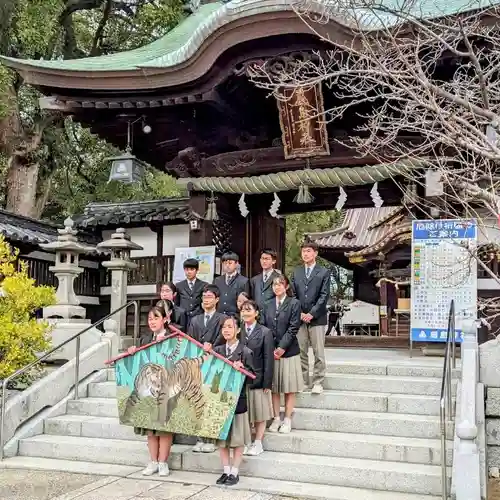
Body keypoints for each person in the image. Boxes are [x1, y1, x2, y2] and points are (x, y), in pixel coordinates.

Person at [127, 303, 176, 476]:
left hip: (166, 388)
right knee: (150, 427)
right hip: (149, 389)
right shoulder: (145, 340)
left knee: (164, 427)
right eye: (149, 318)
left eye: (156, 318)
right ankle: (153, 461)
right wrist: (133, 351)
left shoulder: (174, 338)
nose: (152, 321)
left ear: (165, 319)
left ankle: (163, 462)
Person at [213, 316, 254, 486]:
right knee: (222, 439)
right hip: (220, 400)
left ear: (238, 330)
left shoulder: (245, 352)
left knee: (237, 439)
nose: (227, 330)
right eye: (224, 327)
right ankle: (226, 470)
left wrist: (242, 370)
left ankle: (235, 471)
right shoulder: (217, 350)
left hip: (238, 401)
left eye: (230, 327)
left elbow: (253, 378)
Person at [187, 284, 226, 453]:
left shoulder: (223, 319)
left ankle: (212, 438)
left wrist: (213, 348)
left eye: (210, 297)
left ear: (217, 299)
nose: (206, 300)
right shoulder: (195, 320)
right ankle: (200, 437)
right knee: (198, 400)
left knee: (213, 400)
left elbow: (226, 339)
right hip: (199, 364)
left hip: (215, 364)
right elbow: (190, 341)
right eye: (204, 297)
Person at [262, 275, 303, 434]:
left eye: (280, 284)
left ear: (286, 287)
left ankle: (287, 418)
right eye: (274, 284)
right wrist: (271, 347)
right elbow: (264, 327)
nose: (277, 287)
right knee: (274, 387)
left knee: (289, 387)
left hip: (289, 351)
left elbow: (293, 327)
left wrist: (282, 347)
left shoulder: (294, 303)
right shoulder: (267, 304)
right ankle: (275, 418)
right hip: (271, 351)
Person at [290, 241, 331, 394]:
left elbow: (324, 295)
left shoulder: (323, 272)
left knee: (318, 351)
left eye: (308, 251)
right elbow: (293, 294)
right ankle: (304, 381)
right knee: (301, 351)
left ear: (315, 253)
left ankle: (318, 381)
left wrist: (311, 313)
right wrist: (300, 312)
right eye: (303, 252)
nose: (305, 254)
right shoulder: (296, 272)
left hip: (317, 318)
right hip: (300, 318)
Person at [240, 300, 274, 456]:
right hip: (241, 378)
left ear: (256, 313)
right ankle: (246, 441)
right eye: (243, 310)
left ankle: (258, 442)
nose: (246, 313)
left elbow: (268, 358)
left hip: (258, 377)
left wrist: (267, 381)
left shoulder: (265, 332)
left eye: (249, 310)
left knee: (260, 412)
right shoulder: (237, 330)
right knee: (245, 412)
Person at [213, 252, 250, 317]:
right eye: (225, 263)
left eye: (230, 263)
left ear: (236, 264)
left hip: (235, 317)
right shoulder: (217, 280)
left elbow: (246, 303)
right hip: (219, 316)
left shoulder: (244, 281)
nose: (227, 265)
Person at [175, 258, 208, 326]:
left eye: (192, 269)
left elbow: (204, 302)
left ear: (197, 270)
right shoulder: (179, 285)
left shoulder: (204, 285)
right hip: (183, 318)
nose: (189, 272)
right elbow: (177, 304)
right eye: (187, 269)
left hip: (198, 317)